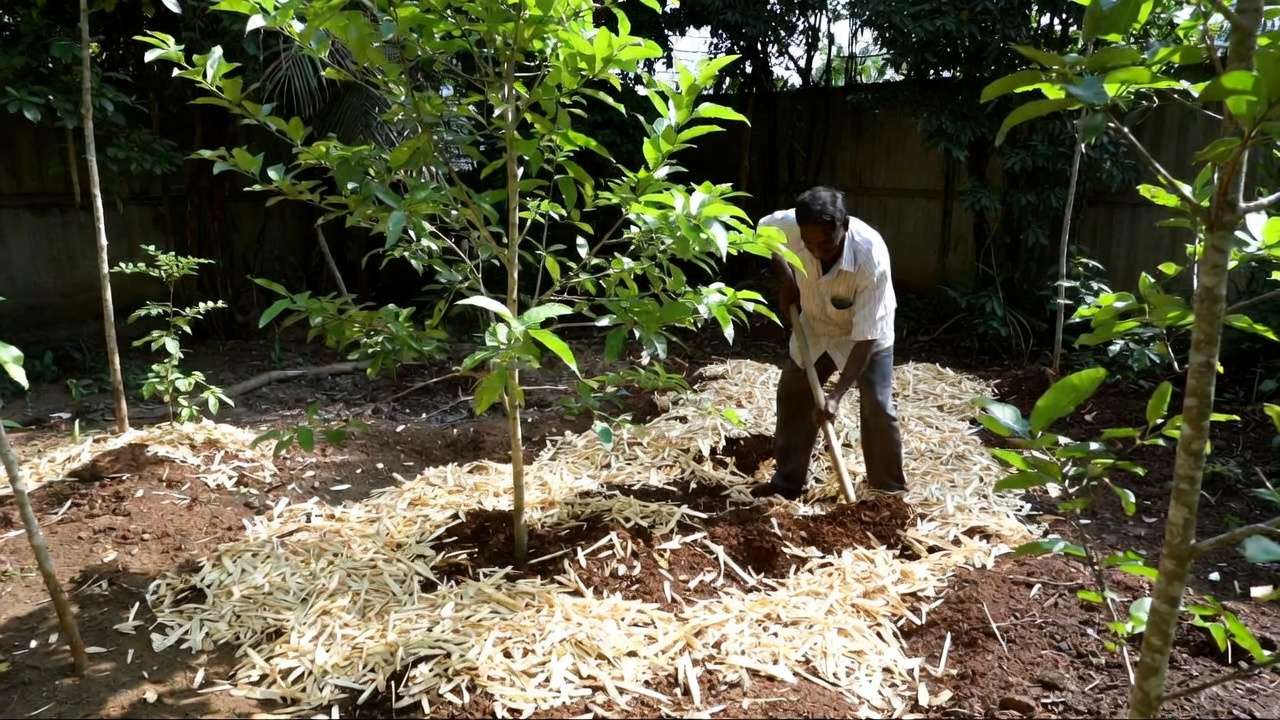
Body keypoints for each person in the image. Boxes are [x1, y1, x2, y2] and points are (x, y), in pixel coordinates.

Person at [751, 186, 906, 500]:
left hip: (864, 333)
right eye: (809, 244)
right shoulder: (786, 225)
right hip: (814, 325)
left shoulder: (869, 256)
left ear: (843, 226)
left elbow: (865, 338)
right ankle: (787, 483)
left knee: (877, 404)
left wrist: (834, 396)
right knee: (794, 393)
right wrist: (786, 280)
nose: (817, 251)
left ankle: (888, 493)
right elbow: (763, 234)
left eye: (826, 243)